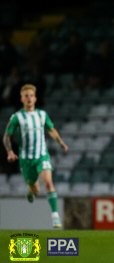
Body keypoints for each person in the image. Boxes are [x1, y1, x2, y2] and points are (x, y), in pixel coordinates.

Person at [3, 84, 69, 228]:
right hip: (26, 159)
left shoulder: (42, 115)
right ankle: (31, 191)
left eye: (31, 96)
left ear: (35, 98)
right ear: (21, 99)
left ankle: (55, 217)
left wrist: (61, 143)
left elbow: (51, 130)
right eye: (26, 96)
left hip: (41, 156)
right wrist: (9, 151)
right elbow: (7, 136)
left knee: (48, 182)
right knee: (35, 188)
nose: (29, 98)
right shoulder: (17, 117)